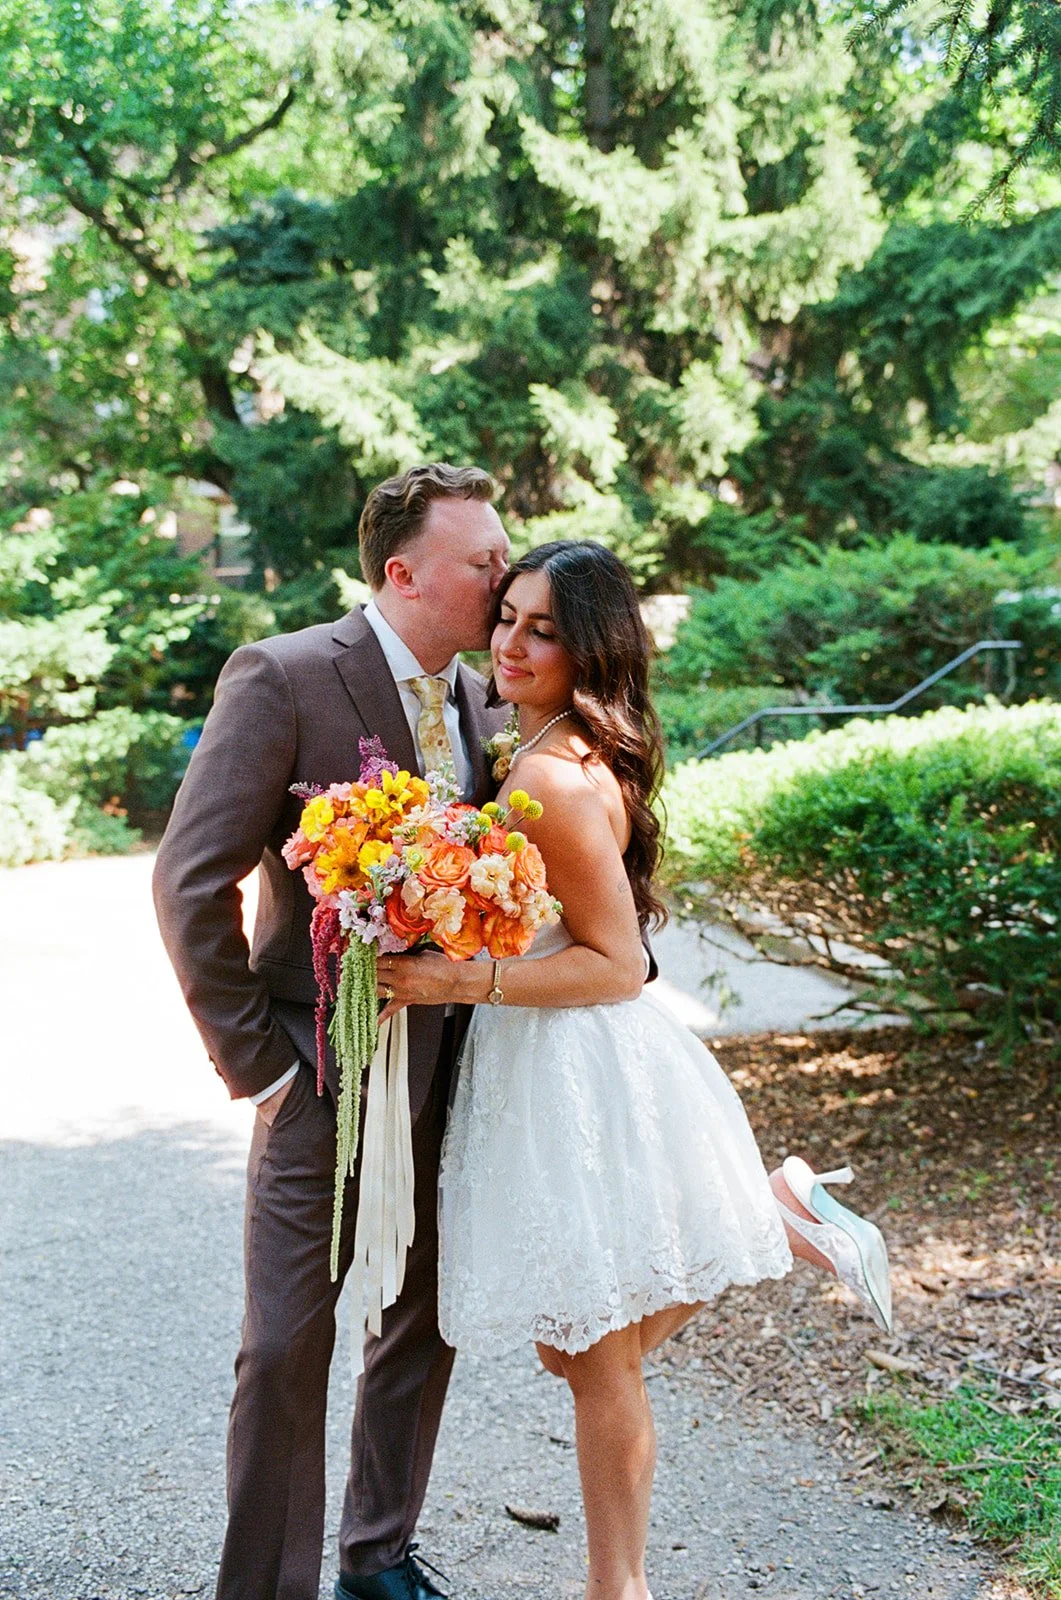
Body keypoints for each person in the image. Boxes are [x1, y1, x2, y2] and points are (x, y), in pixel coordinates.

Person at [374, 539, 892, 1600]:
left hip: (582, 1071)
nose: (509, 643)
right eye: (506, 615)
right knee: (572, 1351)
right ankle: (779, 1209)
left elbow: (615, 964)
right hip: (544, 1058)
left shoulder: (551, 775)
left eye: (542, 629)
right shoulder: (546, 743)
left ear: (589, 648)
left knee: (594, 1361)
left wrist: (456, 982)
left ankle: (618, 1589)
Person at [152, 463, 510, 1600]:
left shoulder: (486, 699)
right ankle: (262, 1588)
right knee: (283, 1344)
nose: (504, 578)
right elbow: (187, 879)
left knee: (422, 1321)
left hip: (459, 1074)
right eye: (483, 561)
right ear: (402, 572)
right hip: (320, 1072)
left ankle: (378, 1557)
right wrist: (258, 1067)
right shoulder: (287, 675)